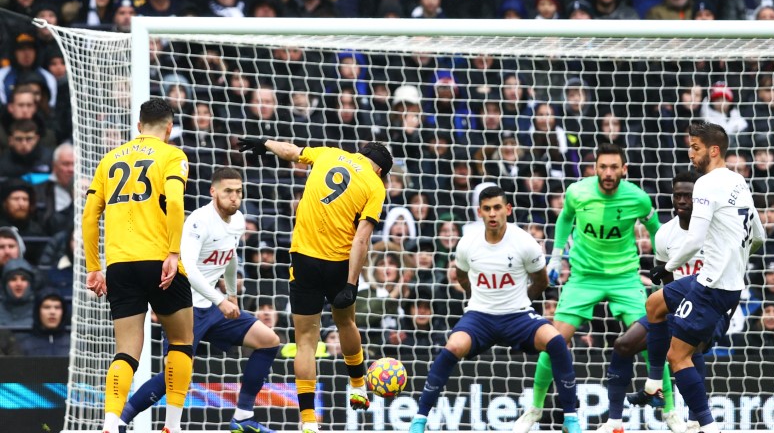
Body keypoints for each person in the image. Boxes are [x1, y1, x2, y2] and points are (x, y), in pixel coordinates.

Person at [238, 137, 392, 433]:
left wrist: (266, 143)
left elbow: (292, 152)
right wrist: (350, 283)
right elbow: (361, 239)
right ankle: (358, 386)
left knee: (305, 340)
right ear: (381, 172)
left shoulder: (328, 154)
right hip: (338, 263)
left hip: (305, 259)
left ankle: (308, 422)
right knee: (346, 323)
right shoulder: (374, 187)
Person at [516, 142, 667, 433]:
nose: (608, 173)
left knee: (653, 345)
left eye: (614, 167)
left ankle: (673, 413)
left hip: (625, 277)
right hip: (583, 277)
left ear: (624, 169)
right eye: (603, 167)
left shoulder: (638, 199)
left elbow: (657, 230)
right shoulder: (577, 192)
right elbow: (564, 219)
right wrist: (557, 256)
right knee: (554, 341)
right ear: (595, 168)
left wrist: (666, 262)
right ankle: (533, 410)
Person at [118, 167, 281, 433]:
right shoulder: (198, 221)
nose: (234, 197)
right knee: (174, 374)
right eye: (228, 191)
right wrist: (220, 300)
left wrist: (231, 294)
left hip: (214, 306)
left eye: (238, 192)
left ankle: (242, 417)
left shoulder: (238, 220)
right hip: (184, 307)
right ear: (213, 191)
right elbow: (188, 268)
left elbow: (230, 256)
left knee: (268, 342)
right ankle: (122, 419)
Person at [409, 186, 581, 433]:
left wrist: (523, 298)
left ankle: (571, 418)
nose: (492, 213)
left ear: (508, 210)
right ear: (479, 212)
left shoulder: (524, 242)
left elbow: (542, 281)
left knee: (556, 341)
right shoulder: (467, 243)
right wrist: (478, 298)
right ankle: (419, 419)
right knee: (452, 346)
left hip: (518, 316)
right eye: (487, 208)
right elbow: (461, 276)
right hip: (480, 316)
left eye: (497, 208)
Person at [635, 121, 765, 433]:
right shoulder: (737, 181)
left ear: (714, 150)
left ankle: (706, 426)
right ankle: (654, 384)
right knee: (655, 305)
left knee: (677, 357)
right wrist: (737, 260)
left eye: (695, 148)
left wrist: (666, 268)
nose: (690, 154)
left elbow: (693, 241)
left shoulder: (706, 184)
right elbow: (758, 233)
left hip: (713, 287)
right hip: (718, 280)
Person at [82, 98, 194, 433]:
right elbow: (174, 201)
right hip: (159, 260)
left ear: (138, 126)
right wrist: (173, 252)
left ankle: (111, 420)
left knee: (127, 351)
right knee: (181, 341)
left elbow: (89, 217)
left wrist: (93, 266)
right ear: (170, 128)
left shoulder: (109, 160)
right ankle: (172, 426)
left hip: (120, 265)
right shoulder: (172, 155)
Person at [609, 170, 704, 433]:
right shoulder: (664, 234)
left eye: (689, 195)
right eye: (678, 195)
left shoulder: (714, 230)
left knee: (687, 349)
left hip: (711, 307)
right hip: (677, 308)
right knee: (623, 345)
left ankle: (696, 419)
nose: (682, 200)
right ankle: (614, 422)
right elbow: (668, 282)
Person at [16, 289, 70, 356]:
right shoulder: (23, 345)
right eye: (47, 307)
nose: (52, 312)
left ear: (63, 312)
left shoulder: (74, 345)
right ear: (37, 312)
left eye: (57, 307)